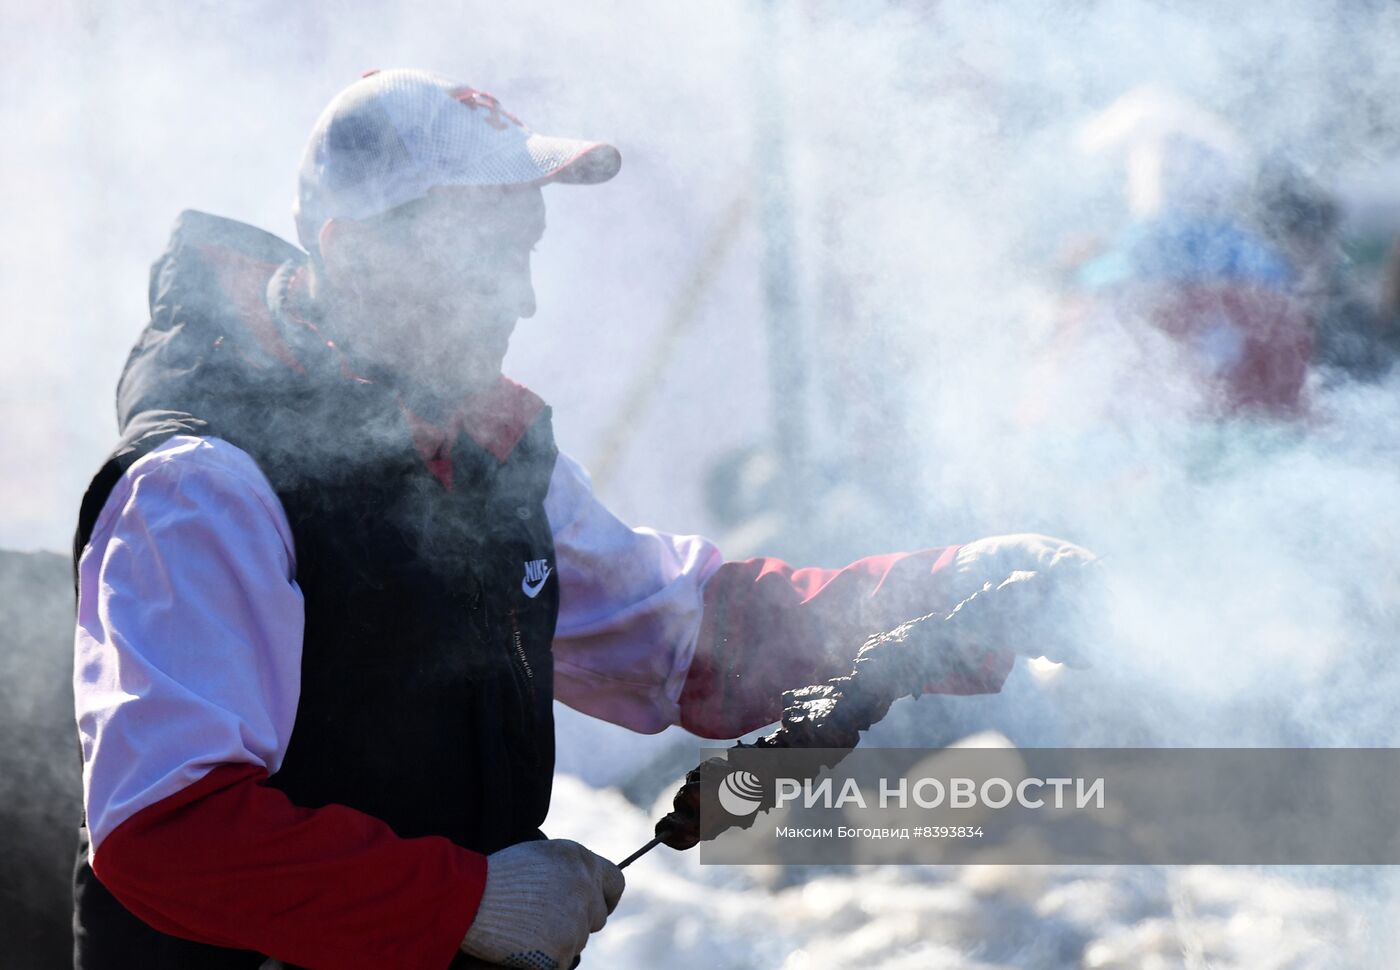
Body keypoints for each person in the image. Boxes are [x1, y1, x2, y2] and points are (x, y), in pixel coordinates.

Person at [72, 68, 1099, 970]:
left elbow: (687, 635)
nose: (520, 300)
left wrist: (942, 598)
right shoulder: (204, 483)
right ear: (354, 253)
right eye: (483, 262)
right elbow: (167, 832)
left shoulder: (485, 446)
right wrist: (469, 902)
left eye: (525, 254)